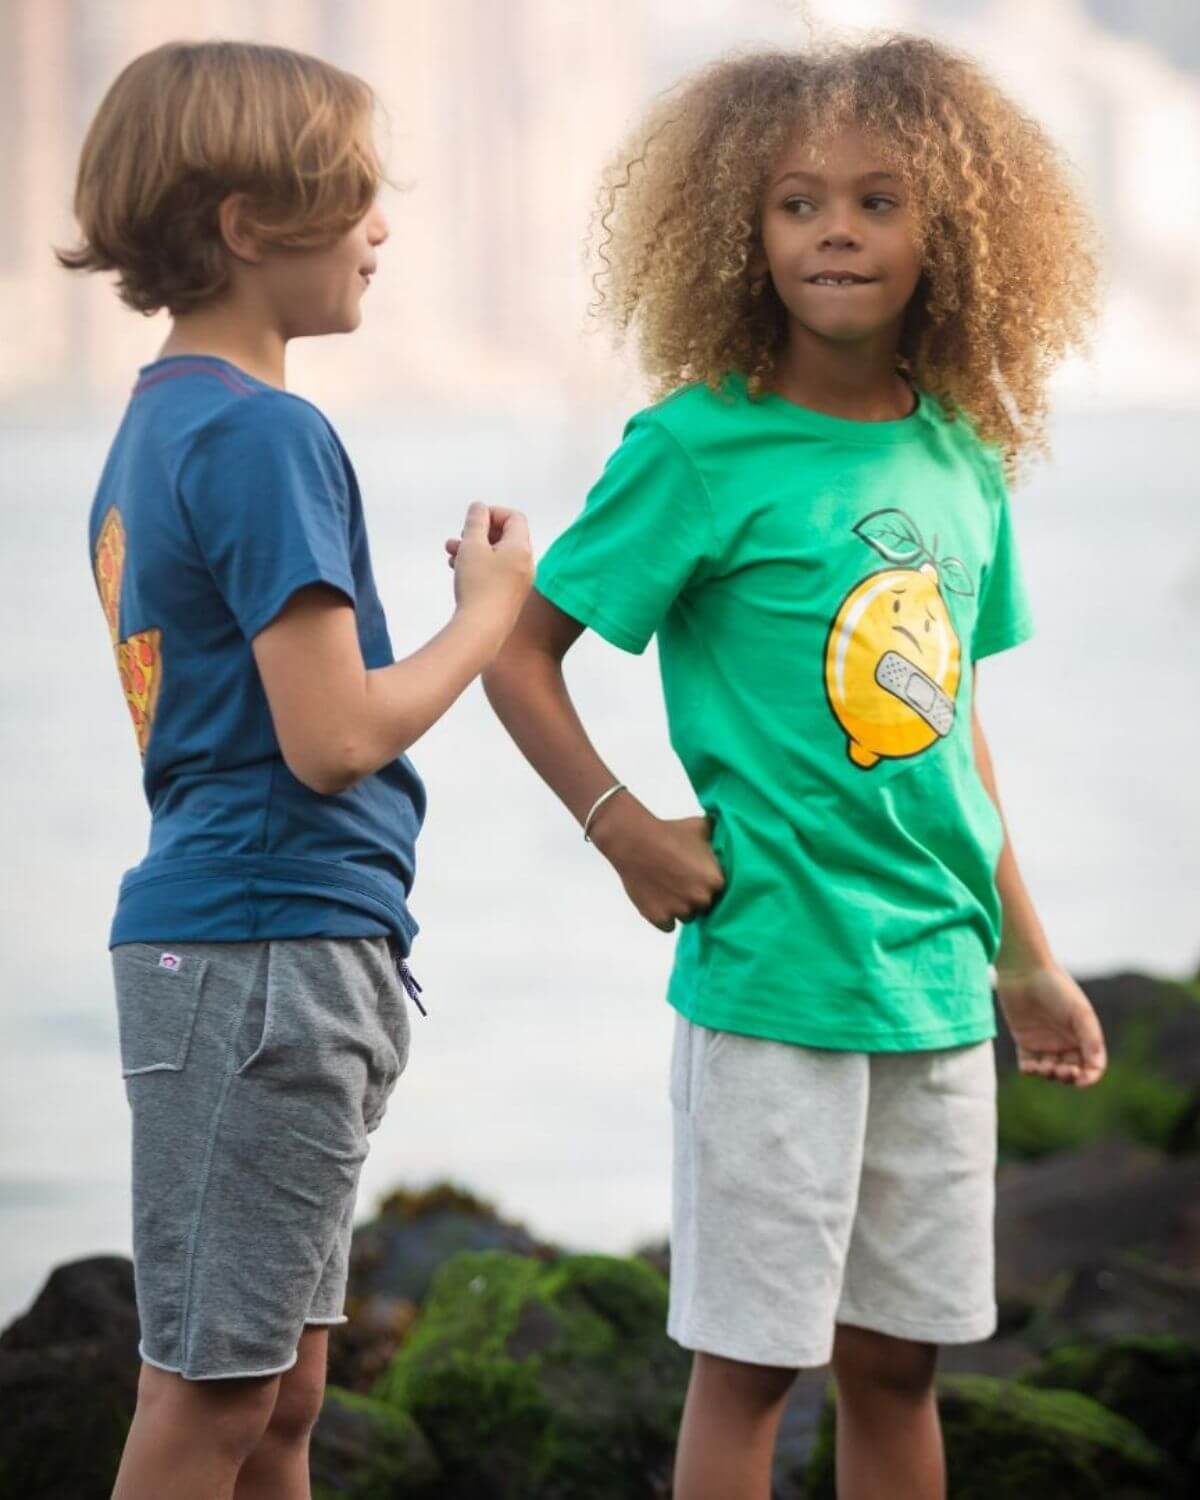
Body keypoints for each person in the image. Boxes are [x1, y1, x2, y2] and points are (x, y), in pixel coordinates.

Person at [481, 36, 1106, 1500]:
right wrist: (620, 825)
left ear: (949, 229)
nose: (838, 232)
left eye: (881, 203)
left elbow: (954, 739)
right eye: (799, 204)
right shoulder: (698, 448)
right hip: (772, 988)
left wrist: (1029, 959)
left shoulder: (962, 461)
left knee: (901, 1366)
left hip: (938, 989)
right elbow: (522, 649)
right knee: (753, 1367)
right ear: (739, 232)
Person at [58, 40, 531, 1500]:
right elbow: (332, 738)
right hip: (263, 954)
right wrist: (489, 618)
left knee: (282, 1392)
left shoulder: (160, 424)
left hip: (261, 945)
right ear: (252, 225)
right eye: (356, 200)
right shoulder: (263, 435)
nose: (383, 229)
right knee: (211, 1398)